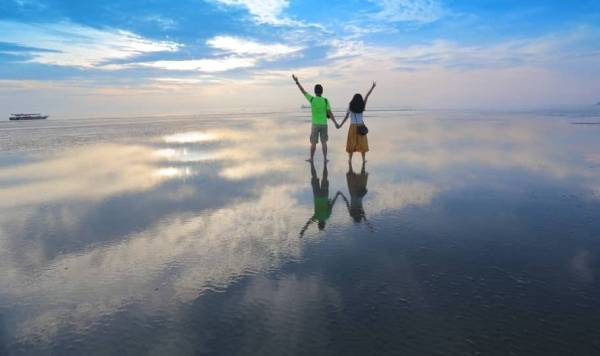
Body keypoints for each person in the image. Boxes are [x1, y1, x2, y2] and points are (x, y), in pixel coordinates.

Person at [292, 74, 337, 162]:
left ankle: (311, 158)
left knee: (313, 143)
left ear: (315, 91)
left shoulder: (312, 99)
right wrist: (335, 123)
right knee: (324, 142)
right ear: (322, 92)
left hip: (315, 124)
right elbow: (329, 113)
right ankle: (325, 159)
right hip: (324, 124)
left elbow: (303, 91)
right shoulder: (325, 100)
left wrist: (297, 82)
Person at [299, 161, 342, 238]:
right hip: (317, 195)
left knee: (325, 178)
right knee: (314, 177)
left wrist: (337, 195)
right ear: (318, 223)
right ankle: (312, 163)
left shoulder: (327, 216)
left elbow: (332, 204)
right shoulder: (316, 217)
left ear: (324, 223)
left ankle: (325, 163)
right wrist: (303, 231)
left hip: (324, 195)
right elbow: (307, 223)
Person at [336, 81, 376, 163]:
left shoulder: (350, 106)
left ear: (353, 99)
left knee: (351, 143)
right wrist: (372, 87)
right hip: (361, 126)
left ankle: (350, 160)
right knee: (363, 144)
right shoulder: (362, 105)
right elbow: (367, 96)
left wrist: (340, 125)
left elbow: (346, 117)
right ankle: (363, 159)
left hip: (353, 127)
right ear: (360, 100)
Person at [338, 160, 374, 230]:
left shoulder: (359, 212)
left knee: (360, 177)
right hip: (354, 193)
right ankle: (352, 164)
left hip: (359, 194)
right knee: (353, 177)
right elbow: (347, 202)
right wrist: (342, 195)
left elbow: (365, 220)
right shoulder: (354, 212)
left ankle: (356, 164)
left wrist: (369, 227)